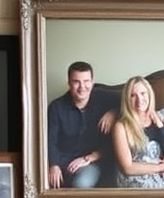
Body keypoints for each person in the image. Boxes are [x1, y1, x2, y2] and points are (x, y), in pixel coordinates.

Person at [46, 61, 119, 189]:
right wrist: (54, 165)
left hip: (93, 162)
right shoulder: (56, 107)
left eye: (86, 81)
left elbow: (130, 102)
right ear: (69, 83)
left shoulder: (104, 99)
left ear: (92, 82)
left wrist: (114, 112)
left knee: (81, 185)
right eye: (76, 82)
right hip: (64, 161)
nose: (82, 87)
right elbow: (50, 141)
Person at [112, 76, 164, 189]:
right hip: (134, 178)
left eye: (143, 93)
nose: (139, 100)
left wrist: (159, 125)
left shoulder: (159, 118)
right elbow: (127, 168)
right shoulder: (121, 126)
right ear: (127, 99)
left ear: (149, 94)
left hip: (157, 175)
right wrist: (162, 168)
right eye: (133, 95)